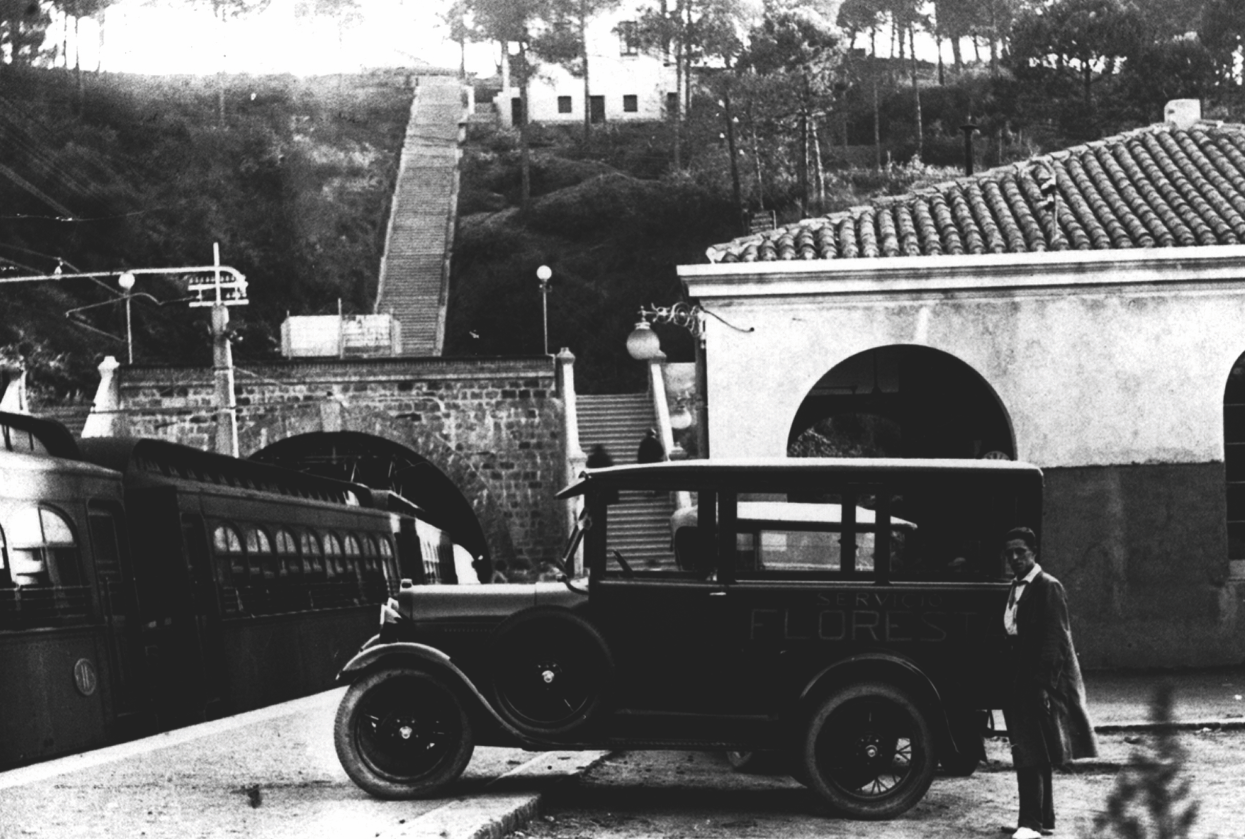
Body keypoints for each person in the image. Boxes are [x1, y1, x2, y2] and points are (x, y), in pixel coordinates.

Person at [1000, 527, 1098, 839]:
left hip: (1038, 680)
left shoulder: (1047, 587)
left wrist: (1042, 686)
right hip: (1019, 676)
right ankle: (1039, 819)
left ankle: (1030, 824)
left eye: (1021, 552)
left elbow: (1055, 641)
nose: (1014, 558)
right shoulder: (1017, 587)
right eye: (1010, 553)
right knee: (1033, 751)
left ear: (1034, 552)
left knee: (1030, 752)